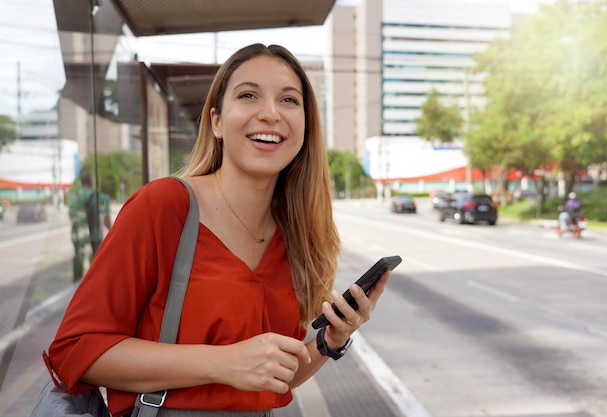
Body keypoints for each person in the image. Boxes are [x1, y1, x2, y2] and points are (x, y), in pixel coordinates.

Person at [43, 44, 393, 417]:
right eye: (248, 95)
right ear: (216, 122)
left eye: (289, 100)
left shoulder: (296, 236)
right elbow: (76, 349)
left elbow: (273, 376)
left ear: (306, 127)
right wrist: (222, 362)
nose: (271, 113)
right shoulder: (163, 206)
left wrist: (331, 340)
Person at [68, 172, 112, 281]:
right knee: (96, 268)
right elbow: (106, 221)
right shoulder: (99, 197)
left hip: (79, 237)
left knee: (79, 261)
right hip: (95, 236)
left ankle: (77, 284)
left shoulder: (74, 197)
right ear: (90, 182)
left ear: (81, 183)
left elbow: (71, 216)